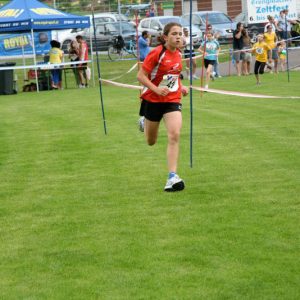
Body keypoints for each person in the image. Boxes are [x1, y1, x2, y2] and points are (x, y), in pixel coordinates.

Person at [137, 22, 189, 192]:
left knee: (174, 134)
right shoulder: (157, 53)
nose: (178, 36)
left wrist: (180, 87)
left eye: (180, 33)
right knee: (151, 141)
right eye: (174, 33)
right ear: (166, 37)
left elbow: (173, 75)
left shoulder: (179, 54)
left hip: (172, 100)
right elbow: (141, 76)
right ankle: (144, 120)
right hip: (153, 100)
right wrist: (156, 89)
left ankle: (172, 176)